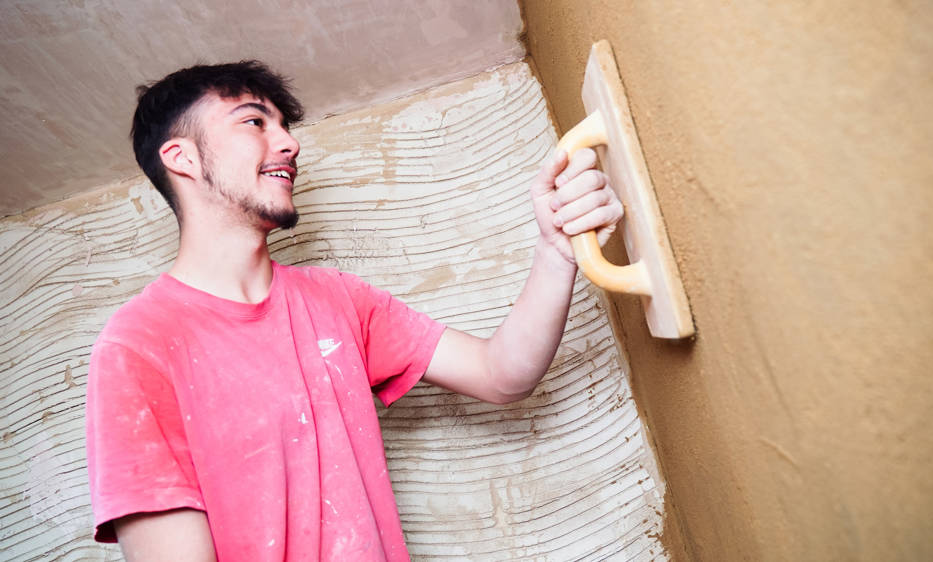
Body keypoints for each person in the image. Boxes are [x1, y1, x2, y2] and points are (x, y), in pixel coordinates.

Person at [86, 60, 623, 561]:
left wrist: (556, 249)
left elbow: (502, 375)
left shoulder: (337, 298)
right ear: (182, 158)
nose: (290, 144)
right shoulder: (137, 345)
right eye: (254, 122)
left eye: (285, 127)